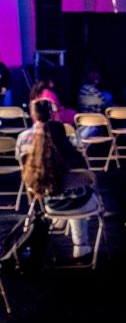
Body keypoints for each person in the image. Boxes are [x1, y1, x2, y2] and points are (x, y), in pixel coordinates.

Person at [19, 99, 97, 260]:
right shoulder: (69, 154)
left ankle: (59, 222)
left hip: (49, 204)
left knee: (66, 192)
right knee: (77, 194)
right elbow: (87, 178)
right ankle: (80, 246)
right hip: (77, 203)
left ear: (33, 114)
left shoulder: (25, 140)